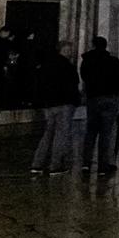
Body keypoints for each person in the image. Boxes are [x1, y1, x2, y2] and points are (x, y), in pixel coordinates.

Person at [31, 41, 80, 174]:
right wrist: (75, 101)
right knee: (61, 134)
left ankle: (37, 164)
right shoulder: (67, 66)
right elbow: (73, 84)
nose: (71, 52)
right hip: (64, 104)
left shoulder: (46, 65)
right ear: (63, 50)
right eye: (69, 50)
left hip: (49, 104)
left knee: (48, 134)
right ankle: (55, 165)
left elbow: (39, 83)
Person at [79, 36, 119, 175]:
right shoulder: (113, 61)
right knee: (106, 134)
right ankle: (103, 166)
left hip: (93, 99)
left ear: (93, 45)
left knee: (91, 132)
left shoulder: (87, 61)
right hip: (110, 99)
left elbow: (85, 77)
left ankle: (86, 164)